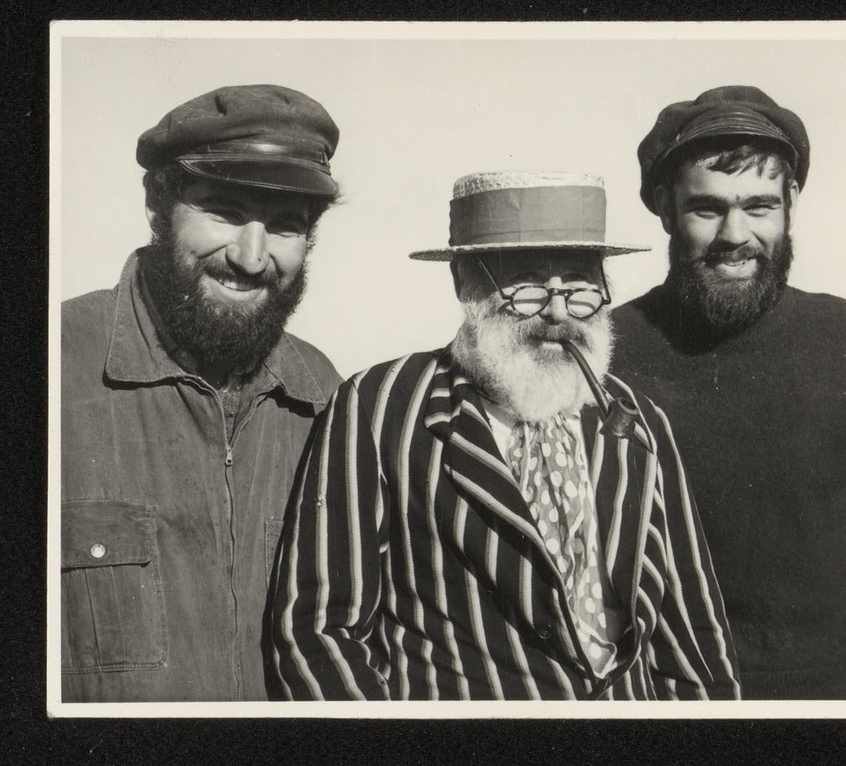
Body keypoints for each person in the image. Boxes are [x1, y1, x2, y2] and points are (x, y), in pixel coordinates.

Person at [268, 171, 740, 700]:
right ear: (466, 284)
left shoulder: (638, 423)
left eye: (581, 284)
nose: (558, 313)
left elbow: (694, 641)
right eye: (529, 284)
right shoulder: (379, 407)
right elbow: (320, 633)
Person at [610, 85, 846, 700]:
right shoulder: (607, 349)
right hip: (653, 701)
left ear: (790, 205)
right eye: (707, 208)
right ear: (663, 207)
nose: (736, 233)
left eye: (760, 206)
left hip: (835, 702)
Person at [61, 84, 343, 702]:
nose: (251, 256)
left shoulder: (327, 398)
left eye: (287, 226)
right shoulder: (53, 370)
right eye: (222, 210)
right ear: (159, 206)